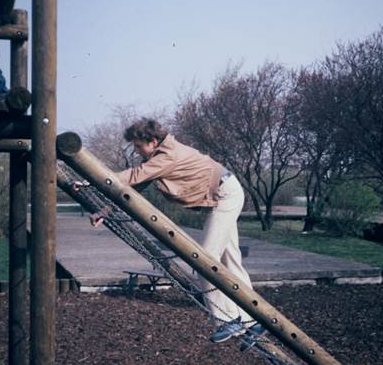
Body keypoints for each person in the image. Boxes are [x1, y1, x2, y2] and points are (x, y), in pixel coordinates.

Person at [91, 118, 265, 344]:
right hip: (226, 192)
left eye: (139, 145)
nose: (137, 150)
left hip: (225, 194)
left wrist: (92, 180)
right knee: (230, 261)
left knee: (204, 261)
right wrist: (105, 210)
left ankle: (228, 319)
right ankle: (256, 319)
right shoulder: (159, 157)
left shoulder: (167, 155)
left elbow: (133, 176)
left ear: (153, 142)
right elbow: (134, 187)